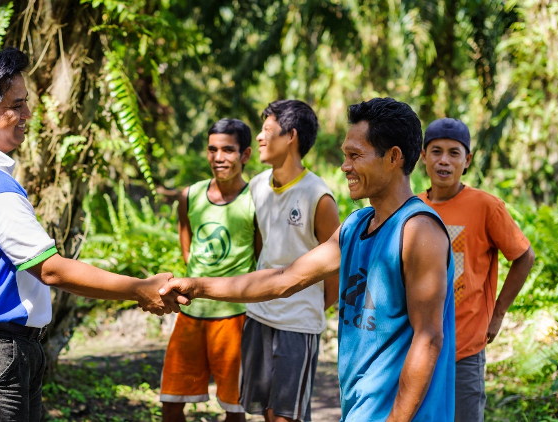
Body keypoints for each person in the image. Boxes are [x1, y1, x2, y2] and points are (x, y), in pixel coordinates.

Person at [160, 97, 456, 421]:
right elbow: (285, 279)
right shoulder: (356, 226)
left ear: (394, 157)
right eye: (345, 156)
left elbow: (428, 340)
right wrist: (198, 286)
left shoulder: (419, 231)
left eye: (355, 156)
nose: (345, 167)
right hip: (359, 409)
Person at [0, 44, 185, 422]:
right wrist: (140, 288)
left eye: (26, 102)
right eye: (15, 106)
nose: (27, 115)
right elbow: (50, 270)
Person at [419, 117, 535, 422]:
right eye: (436, 151)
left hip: (465, 349)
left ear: (467, 160)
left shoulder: (487, 207)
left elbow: (524, 256)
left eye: (454, 153)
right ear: (423, 156)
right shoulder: (412, 207)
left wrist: (498, 314)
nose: (444, 160)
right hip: (416, 346)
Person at [238, 99, 341, 422]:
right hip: (258, 314)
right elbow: (260, 246)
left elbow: (334, 265)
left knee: (288, 416)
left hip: (298, 323)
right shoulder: (256, 186)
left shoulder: (318, 196)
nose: (258, 138)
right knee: (267, 412)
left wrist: (308, 306)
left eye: (267, 130)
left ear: (291, 136)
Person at [160, 118, 257, 422]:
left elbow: (260, 251)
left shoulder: (257, 199)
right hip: (191, 314)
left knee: (234, 408)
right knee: (171, 403)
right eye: (212, 149)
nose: (218, 157)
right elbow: (187, 246)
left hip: (234, 317)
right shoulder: (190, 196)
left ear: (245, 155)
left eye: (228, 150)